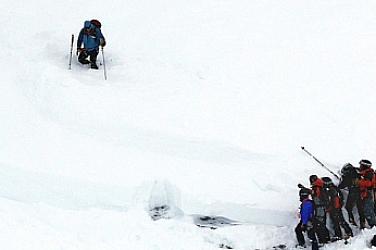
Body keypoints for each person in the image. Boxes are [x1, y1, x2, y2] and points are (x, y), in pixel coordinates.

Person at [322, 177, 353, 241]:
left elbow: (335, 200)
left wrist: (334, 208)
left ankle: (347, 232)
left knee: (339, 221)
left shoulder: (332, 190)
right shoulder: (333, 188)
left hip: (335, 209)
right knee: (337, 222)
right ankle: (340, 234)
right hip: (335, 208)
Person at [338, 163, 365, 228]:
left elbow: (342, 185)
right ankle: (362, 222)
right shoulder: (357, 172)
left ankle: (352, 220)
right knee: (360, 207)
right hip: (361, 192)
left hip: (353, 191)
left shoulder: (348, 176)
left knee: (348, 207)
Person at [306, 175, 330, 246]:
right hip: (322, 208)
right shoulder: (320, 186)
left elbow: (316, 196)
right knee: (322, 224)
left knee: (319, 224)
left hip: (319, 209)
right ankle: (326, 238)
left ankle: (323, 240)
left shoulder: (317, 188)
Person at [358, 159, 375, 228]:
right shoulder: (365, 173)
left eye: (361, 165)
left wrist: (358, 182)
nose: (360, 167)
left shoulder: (369, 174)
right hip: (366, 194)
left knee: (368, 210)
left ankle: (373, 226)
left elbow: (368, 184)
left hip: (368, 194)